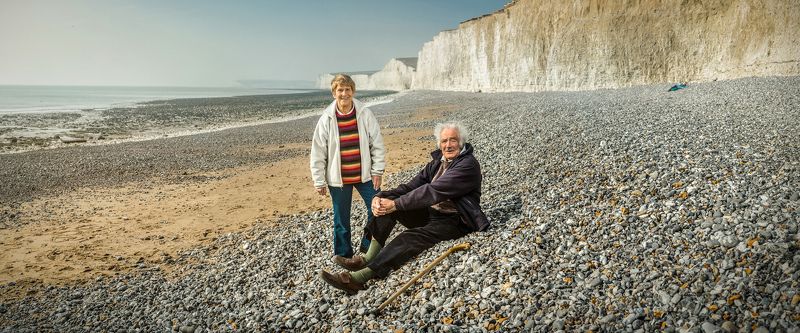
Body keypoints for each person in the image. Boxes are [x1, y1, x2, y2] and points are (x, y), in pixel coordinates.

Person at [320, 122, 489, 295]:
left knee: (409, 236)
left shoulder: (467, 165)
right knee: (388, 202)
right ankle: (366, 259)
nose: (448, 145)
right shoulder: (438, 163)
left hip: (456, 220)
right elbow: (411, 187)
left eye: (453, 140)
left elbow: (432, 191)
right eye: (444, 141)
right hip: (433, 213)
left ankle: (359, 278)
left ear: (461, 142)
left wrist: (396, 205)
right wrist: (381, 197)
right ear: (439, 143)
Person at [310, 74, 385, 259]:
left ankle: (368, 250)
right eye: (340, 90)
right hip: (338, 180)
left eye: (347, 90)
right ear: (334, 93)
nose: (344, 94)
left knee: (377, 208)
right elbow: (318, 151)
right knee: (341, 220)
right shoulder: (327, 119)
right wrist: (319, 180)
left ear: (353, 91)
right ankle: (344, 255)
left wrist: (377, 171)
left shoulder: (364, 114)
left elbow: (377, 143)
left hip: (365, 175)